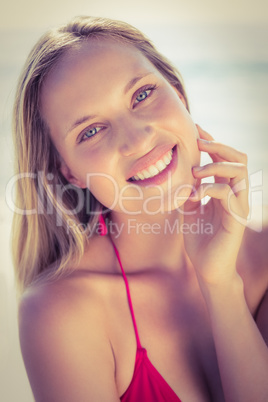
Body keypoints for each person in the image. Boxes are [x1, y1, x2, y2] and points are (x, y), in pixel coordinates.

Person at [12, 16, 268, 402]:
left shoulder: (264, 257)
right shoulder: (61, 312)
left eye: (143, 94)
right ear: (69, 172)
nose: (137, 138)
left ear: (179, 94)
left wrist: (221, 285)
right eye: (91, 131)